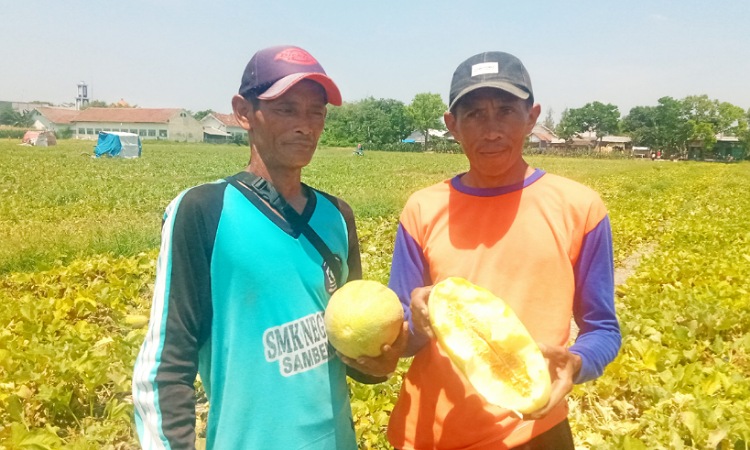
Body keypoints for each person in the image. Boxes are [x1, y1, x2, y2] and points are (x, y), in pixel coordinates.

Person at [351, 51, 622, 449]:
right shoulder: (422, 209)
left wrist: (578, 362)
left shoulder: (580, 208)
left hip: (535, 431)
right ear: (452, 125)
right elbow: (406, 331)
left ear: (532, 117)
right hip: (431, 434)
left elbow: (604, 328)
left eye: (506, 111)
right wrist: (410, 333)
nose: (491, 130)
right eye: (474, 114)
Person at [131, 45, 382, 449]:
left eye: (316, 111)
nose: (305, 125)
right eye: (286, 109)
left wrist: (382, 359)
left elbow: (354, 347)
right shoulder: (204, 211)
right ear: (243, 112)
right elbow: (166, 364)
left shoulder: (337, 217)